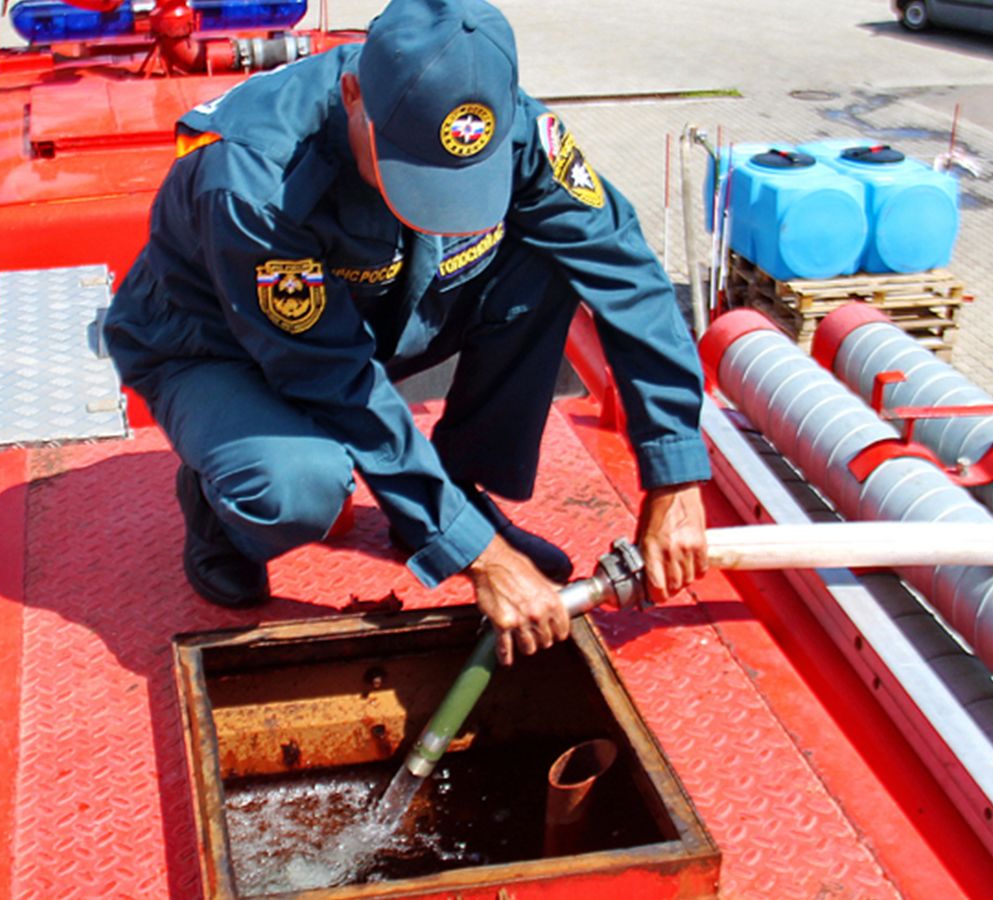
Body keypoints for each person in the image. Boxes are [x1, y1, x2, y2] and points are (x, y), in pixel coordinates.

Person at [104, 0, 710, 665]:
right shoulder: (256, 178)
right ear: (352, 91)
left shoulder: (505, 126)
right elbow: (332, 376)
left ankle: (454, 489)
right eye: (407, 164)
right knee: (295, 484)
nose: (435, 199)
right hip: (220, 346)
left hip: (370, 310)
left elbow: (622, 267)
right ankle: (219, 507)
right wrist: (481, 560)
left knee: (547, 264)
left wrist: (674, 473)